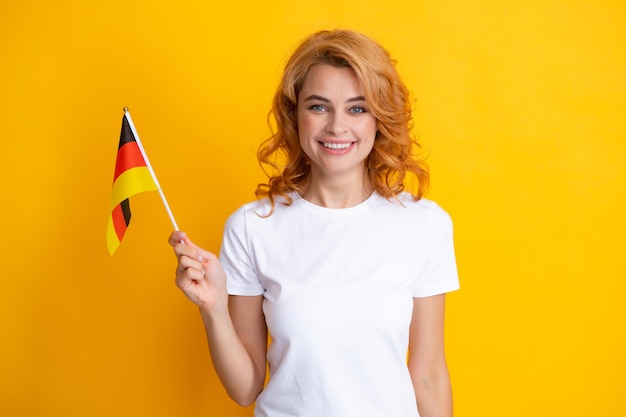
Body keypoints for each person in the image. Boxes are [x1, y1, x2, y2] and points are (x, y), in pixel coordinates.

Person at [169, 29, 459, 417]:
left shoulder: (425, 225)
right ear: (295, 115)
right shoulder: (252, 227)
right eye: (319, 107)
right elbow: (245, 388)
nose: (337, 127)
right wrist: (214, 309)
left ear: (380, 118)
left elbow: (428, 376)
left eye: (357, 108)